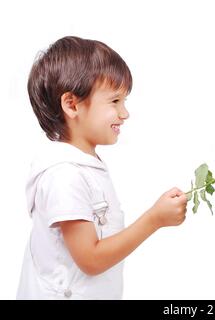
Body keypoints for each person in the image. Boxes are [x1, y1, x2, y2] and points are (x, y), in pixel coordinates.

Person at [17, 36, 188, 299]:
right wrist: (154, 219)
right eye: (114, 101)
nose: (125, 113)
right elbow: (91, 259)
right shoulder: (64, 175)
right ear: (72, 105)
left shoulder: (84, 166)